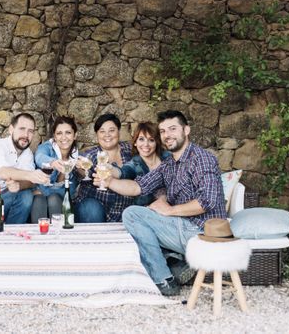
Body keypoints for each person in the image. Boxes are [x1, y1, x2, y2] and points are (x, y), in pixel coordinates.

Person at [100, 110, 226, 297]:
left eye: (173, 129)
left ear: (186, 130)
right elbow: (137, 187)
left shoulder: (201, 159)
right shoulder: (168, 165)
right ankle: (174, 265)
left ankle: (162, 278)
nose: (167, 135)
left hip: (203, 231)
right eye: (163, 131)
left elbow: (207, 201)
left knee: (132, 214)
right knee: (140, 216)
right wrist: (109, 182)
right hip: (183, 228)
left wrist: (170, 210)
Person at [74, 113, 133, 223]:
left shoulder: (130, 151)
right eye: (102, 131)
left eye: (111, 130)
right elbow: (82, 171)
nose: (107, 135)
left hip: (123, 211)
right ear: (97, 135)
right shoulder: (91, 155)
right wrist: (81, 169)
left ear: (119, 131)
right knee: (91, 208)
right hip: (94, 212)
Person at [31, 116, 79, 222]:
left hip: (57, 199)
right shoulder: (47, 147)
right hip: (40, 199)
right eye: (59, 133)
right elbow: (39, 157)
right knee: (39, 200)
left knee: (53, 199)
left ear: (75, 135)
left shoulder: (76, 157)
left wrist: (45, 191)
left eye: (68, 133)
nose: (64, 137)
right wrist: (53, 163)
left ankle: (59, 236)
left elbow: (70, 192)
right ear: (54, 136)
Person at [115, 122, 170, 207]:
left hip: (174, 209)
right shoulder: (135, 163)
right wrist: (111, 170)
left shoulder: (168, 157)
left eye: (151, 140)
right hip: (146, 212)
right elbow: (123, 172)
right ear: (135, 142)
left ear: (157, 143)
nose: (146, 144)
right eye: (141, 139)